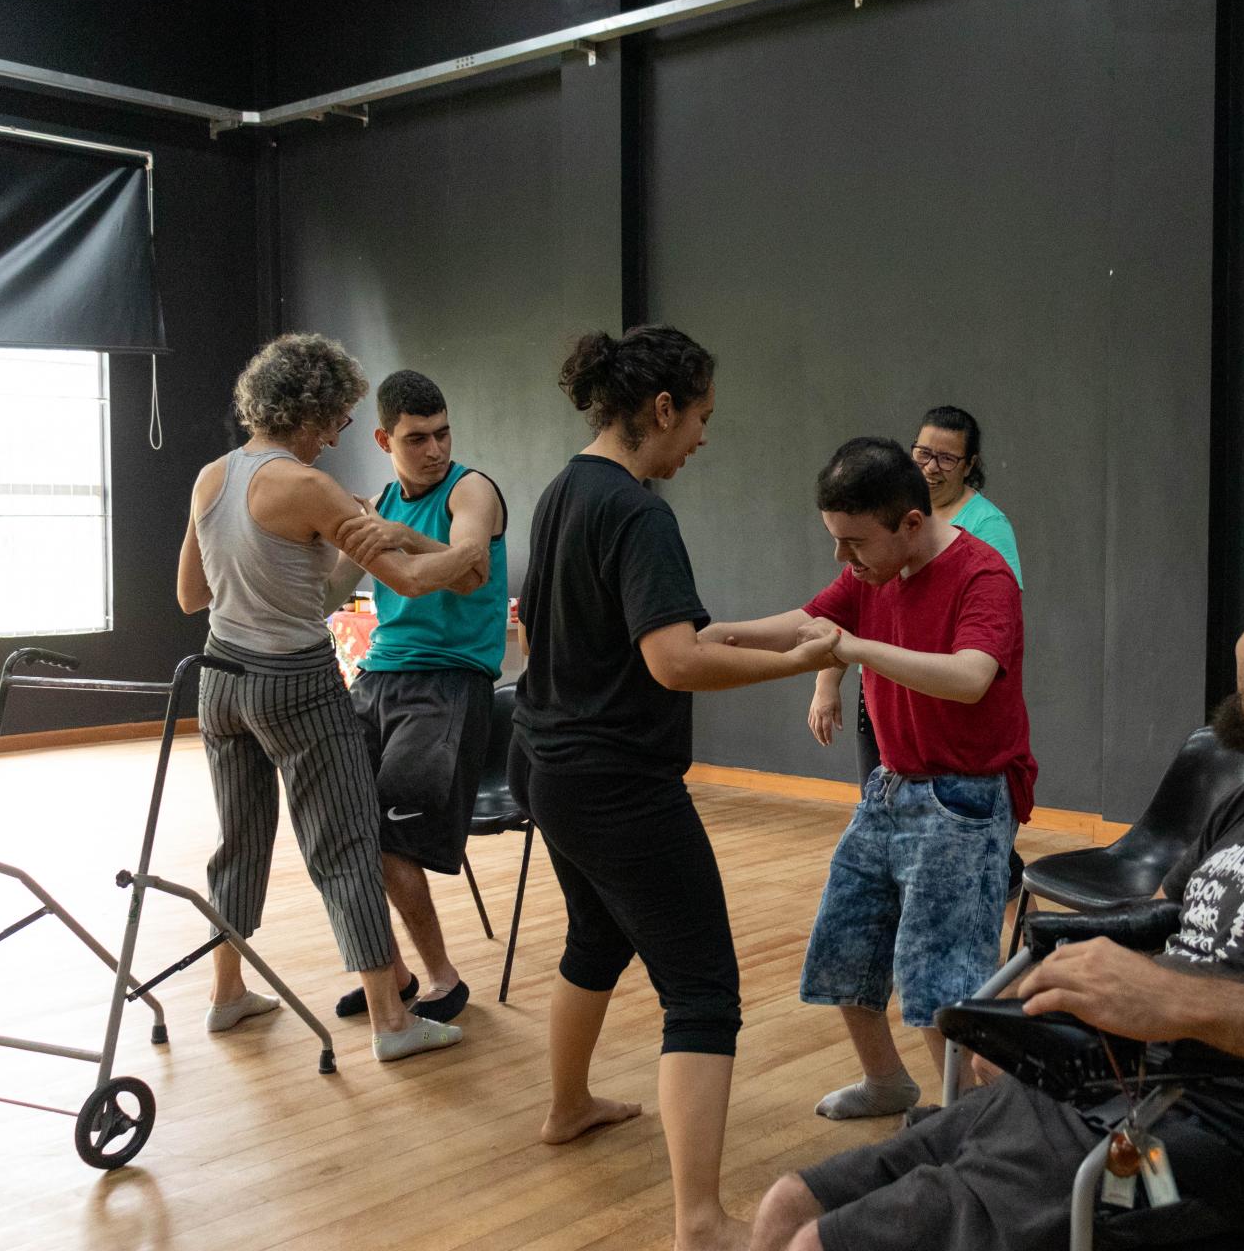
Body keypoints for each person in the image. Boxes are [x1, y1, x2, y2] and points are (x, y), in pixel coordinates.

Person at [749, 533, 1244, 1251]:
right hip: (1113, 1102)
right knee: (787, 1206)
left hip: (1218, 1162)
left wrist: (1186, 1003)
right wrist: (1065, 998)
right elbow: (1160, 927)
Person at [509, 325, 841, 1251]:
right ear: (661, 409)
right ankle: (702, 1222)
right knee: (702, 991)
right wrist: (792, 667)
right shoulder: (640, 510)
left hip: (546, 765)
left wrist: (788, 635)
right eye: (700, 417)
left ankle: (567, 1106)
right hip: (615, 784)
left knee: (595, 934)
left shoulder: (564, 489)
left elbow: (649, 629)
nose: (702, 437)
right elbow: (675, 660)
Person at [701, 437, 1036, 1121]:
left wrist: (854, 649)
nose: (842, 559)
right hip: (890, 789)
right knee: (844, 948)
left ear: (911, 523)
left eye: (853, 543)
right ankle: (888, 1083)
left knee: (941, 978)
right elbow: (808, 622)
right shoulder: (871, 573)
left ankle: (975, 1123)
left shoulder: (983, 576)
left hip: (963, 802)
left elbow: (971, 677)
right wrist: (710, 634)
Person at [175, 333, 483, 1062]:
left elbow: (193, 594)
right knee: (346, 843)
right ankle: (393, 1022)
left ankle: (226, 996)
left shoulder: (212, 477)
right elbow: (405, 583)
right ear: (310, 413)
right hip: (295, 684)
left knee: (240, 842)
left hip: (219, 682)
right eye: (340, 417)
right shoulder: (310, 487)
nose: (340, 432)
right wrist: (468, 555)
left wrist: (310, 565)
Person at [321, 368, 507, 1025]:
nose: (434, 449)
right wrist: (319, 532)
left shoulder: (473, 489)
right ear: (383, 438)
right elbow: (328, 591)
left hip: (449, 683)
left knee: (391, 840)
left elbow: (469, 564)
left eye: (442, 433)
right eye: (417, 438)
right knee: (339, 826)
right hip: (378, 678)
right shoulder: (378, 504)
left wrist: (402, 539)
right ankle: (390, 976)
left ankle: (442, 978)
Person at [807, 406, 1022, 782]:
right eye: (923, 453)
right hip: (885, 692)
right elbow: (844, 613)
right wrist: (826, 682)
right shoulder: (881, 528)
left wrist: (856, 647)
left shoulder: (986, 532)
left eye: (947, 458)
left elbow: (985, 642)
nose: (931, 466)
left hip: (943, 714)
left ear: (969, 464)